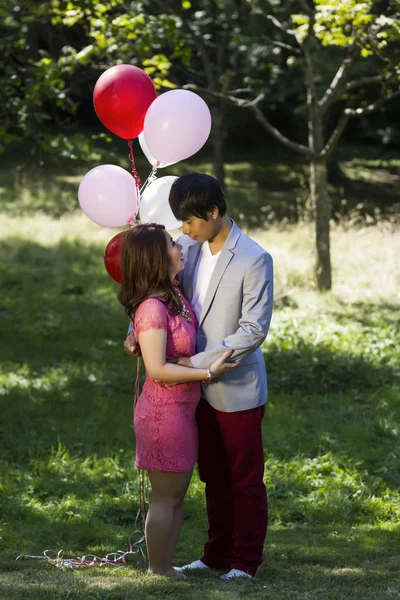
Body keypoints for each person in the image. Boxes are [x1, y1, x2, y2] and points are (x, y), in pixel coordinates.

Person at [124, 173, 274, 580]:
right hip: (193, 395)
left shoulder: (254, 258)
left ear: (214, 211)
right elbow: (161, 295)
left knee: (244, 479)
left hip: (234, 386)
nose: (183, 230)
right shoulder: (187, 247)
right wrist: (135, 333)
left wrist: (197, 364)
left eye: (189, 221)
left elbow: (253, 329)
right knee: (212, 477)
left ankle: (245, 561)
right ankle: (216, 553)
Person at [118, 223, 237, 577]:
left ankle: (166, 564)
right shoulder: (153, 308)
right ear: (157, 256)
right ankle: (158, 569)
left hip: (183, 412)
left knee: (176, 496)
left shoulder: (173, 295)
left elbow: (175, 354)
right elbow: (157, 369)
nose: (180, 247)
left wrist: (196, 363)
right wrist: (207, 374)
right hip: (163, 415)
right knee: (165, 497)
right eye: (172, 244)